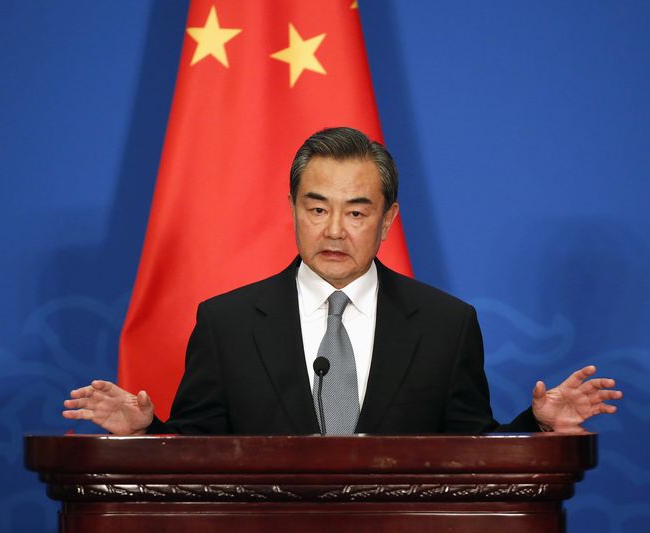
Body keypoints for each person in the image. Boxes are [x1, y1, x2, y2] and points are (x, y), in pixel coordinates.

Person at [63, 127, 621, 436]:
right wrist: (147, 431)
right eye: (316, 208)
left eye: (356, 212)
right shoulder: (226, 323)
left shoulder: (446, 325)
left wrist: (539, 427)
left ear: (388, 220)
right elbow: (195, 453)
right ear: (292, 210)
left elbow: (471, 452)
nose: (334, 231)